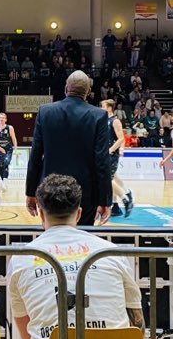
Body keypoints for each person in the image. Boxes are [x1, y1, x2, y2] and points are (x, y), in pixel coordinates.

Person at [9, 175, 144, 339]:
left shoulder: (20, 260)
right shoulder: (111, 252)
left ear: (41, 213)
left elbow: (28, 337)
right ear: (79, 214)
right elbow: (136, 328)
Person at [26, 71, 112, 226]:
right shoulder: (99, 116)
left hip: (49, 190)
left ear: (66, 89)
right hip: (85, 194)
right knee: (82, 237)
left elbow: (35, 155)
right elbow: (102, 162)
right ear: (88, 92)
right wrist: (105, 200)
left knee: (52, 236)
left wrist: (30, 192)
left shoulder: (45, 112)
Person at [100, 100, 133, 218]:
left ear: (109, 108)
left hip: (111, 154)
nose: (101, 108)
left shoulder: (115, 121)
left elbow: (121, 139)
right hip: (104, 153)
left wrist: (111, 150)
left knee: (107, 180)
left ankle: (125, 199)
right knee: (113, 178)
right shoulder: (104, 120)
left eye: (103, 106)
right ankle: (119, 201)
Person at [0, 113, 17, 192]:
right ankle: (3, 181)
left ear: (6, 119)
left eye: (3, 118)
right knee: (0, 166)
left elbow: (13, 138)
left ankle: (5, 182)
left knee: (6, 164)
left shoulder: (10, 128)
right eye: (0, 118)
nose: (1, 119)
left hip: (8, 149)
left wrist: (15, 148)